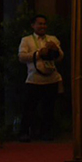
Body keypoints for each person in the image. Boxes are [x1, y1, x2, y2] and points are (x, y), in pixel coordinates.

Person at [18, 14, 64, 142]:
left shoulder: (52, 39)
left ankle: (46, 133)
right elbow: (21, 57)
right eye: (40, 23)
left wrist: (55, 50)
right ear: (33, 25)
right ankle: (24, 132)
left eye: (44, 24)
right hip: (34, 79)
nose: (42, 26)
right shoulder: (26, 40)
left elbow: (60, 58)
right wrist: (38, 54)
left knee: (49, 109)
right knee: (29, 108)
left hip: (51, 79)